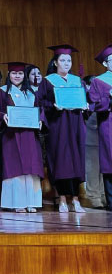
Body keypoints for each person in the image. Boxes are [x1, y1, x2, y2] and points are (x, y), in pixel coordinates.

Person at [37, 44, 87, 213]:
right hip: (58, 126)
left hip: (75, 125)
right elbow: (40, 102)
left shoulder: (77, 81)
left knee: (76, 161)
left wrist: (85, 105)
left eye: (69, 60)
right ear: (56, 62)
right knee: (60, 162)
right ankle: (63, 199)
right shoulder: (48, 81)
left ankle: (76, 200)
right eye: (63, 60)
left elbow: (83, 100)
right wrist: (53, 105)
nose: (66, 63)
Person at [0, 62, 45, 212]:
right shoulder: (2, 92)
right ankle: (17, 203)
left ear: (24, 75)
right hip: (12, 136)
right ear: (9, 74)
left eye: (20, 73)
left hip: (30, 136)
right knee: (14, 167)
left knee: (31, 167)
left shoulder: (31, 93)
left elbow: (40, 110)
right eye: (14, 73)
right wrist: (3, 116)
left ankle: (31, 202)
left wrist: (41, 119)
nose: (17, 76)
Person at [87, 45, 112, 210]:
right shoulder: (99, 81)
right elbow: (94, 104)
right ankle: (111, 200)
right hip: (108, 123)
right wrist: (109, 98)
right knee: (110, 161)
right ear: (105, 63)